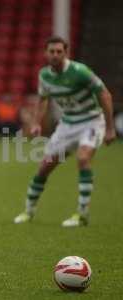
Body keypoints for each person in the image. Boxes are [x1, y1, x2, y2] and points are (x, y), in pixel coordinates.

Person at [14, 36, 116, 227]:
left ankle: (82, 213)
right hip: (67, 125)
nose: (55, 55)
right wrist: (37, 122)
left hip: (91, 122)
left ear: (66, 53)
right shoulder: (44, 75)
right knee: (45, 166)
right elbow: (43, 99)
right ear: (46, 53)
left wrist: (110, 127)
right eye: (51, 51)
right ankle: (28, 211)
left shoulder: (80, 72)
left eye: (59, 51)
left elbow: (104, 94)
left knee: (83, 158)